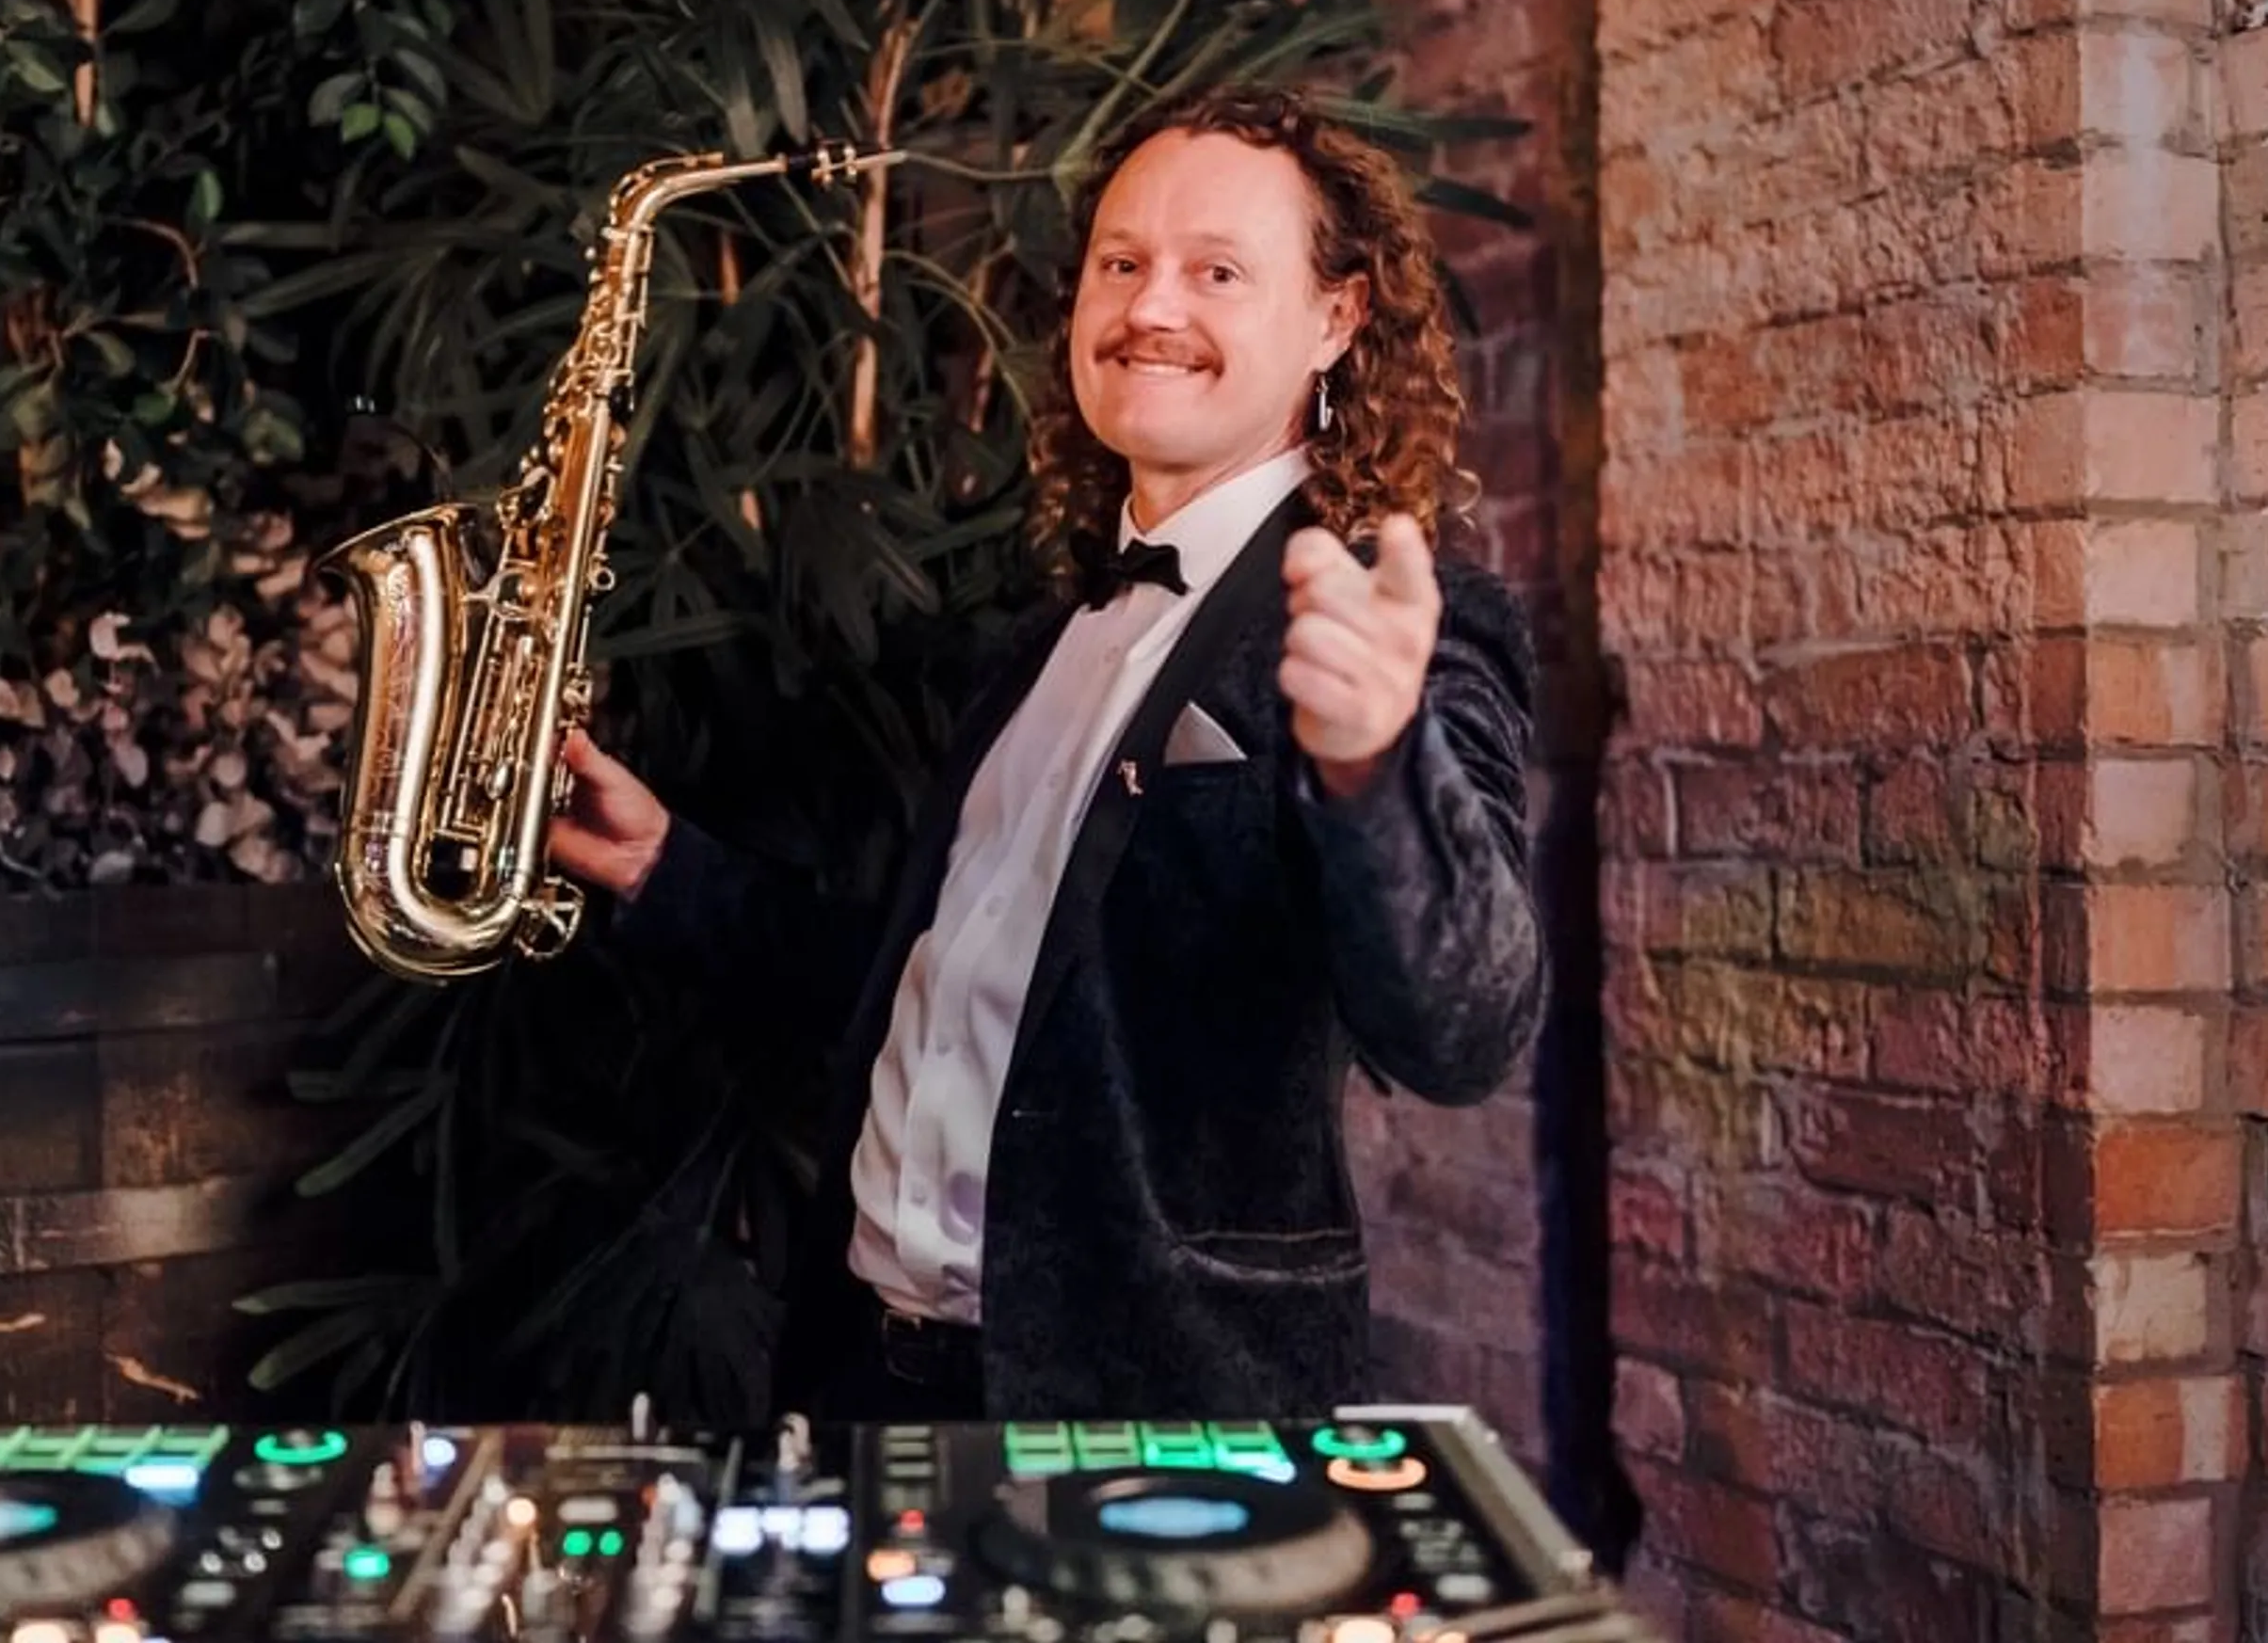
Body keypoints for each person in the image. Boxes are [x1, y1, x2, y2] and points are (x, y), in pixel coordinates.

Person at [549, 83, 1546, 1420]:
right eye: (1122, 263)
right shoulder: (1043, 645)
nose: (1151, 308)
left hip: (1146, 1409)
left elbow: (1467, 1031)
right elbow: (939, 994)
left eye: (1218, 271)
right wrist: (666, 870)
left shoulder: (1392, 620)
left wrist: (1376, 763)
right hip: (867, 1373)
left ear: (1336, 317)